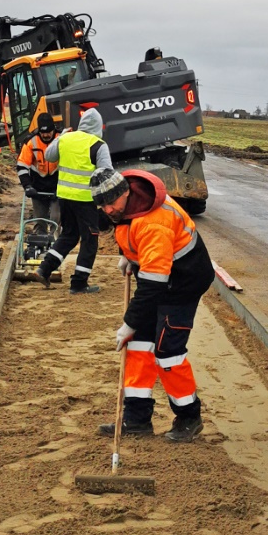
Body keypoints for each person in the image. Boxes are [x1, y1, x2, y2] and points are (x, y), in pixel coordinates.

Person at [90, 167, 213, 443]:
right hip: (160, 275)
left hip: (183, 282)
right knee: (138, 344)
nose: (108, 209)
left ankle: (189, 417)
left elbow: (153, 285)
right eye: (102, 204)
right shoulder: (125, 207)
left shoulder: (153, 221)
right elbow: (130, 234)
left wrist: (129, 322)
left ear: (126, 193)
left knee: (167, 351)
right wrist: (131, 257)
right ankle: (136, 419)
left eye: (112, 203)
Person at [34, 107, 112, 294]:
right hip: (86, 200)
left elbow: (48, 155)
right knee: (89, 240)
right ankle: (79, 283)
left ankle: (44, 269)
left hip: (64, 198)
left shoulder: (65, 138)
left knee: (68, 235)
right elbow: (107, 172)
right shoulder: (98, 145)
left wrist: (61, 137)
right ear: (98, 126)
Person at [16, 112, 60, 223]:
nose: (45, 135)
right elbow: (22, 165)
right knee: (40, 220)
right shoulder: (31, 142)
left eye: (48, 132)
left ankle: (56, 239)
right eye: (42, 132)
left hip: (58, 187)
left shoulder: (61, 139)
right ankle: (40, 238)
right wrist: (27, 186)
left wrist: (62, 187)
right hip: (38, 188)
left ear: (53, 129)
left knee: (56, 219)